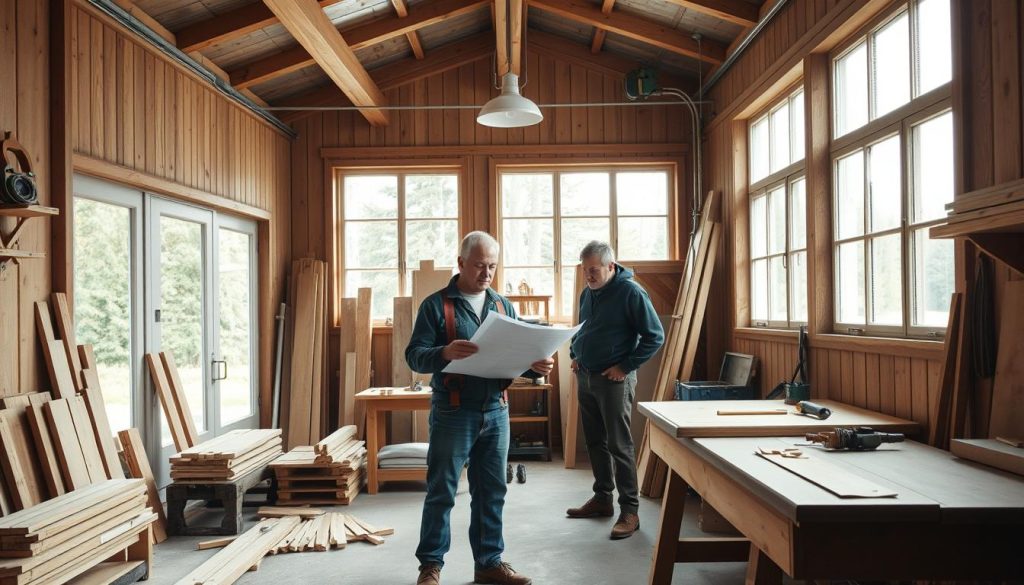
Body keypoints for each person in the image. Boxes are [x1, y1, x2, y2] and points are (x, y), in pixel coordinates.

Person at [407, 231, 554, 585]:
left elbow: (513, 357)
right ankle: (431, 567)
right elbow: (414, 356)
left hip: (497, 410)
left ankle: (489, 563)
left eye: (492, 266)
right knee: (441, 490)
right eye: (479, 266)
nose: (486, 273)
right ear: (460, 264)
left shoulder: (503, 306)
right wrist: (443, 352)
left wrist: (535, 366)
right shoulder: (435, 305)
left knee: (491, 491)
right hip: (454, 412)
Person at [566, 241, 665, 539]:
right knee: (595, 441)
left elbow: (655, 336)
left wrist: (625, 366)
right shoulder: (588, 293)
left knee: (619, 445)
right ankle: (602, 499)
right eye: (585, 271)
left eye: (594, 270)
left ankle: (630, 511)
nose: (589, 277)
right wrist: (575, 354)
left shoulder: (631, 292)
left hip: (614, 381)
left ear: (611, 266)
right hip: (585, 376)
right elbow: (584, 328)